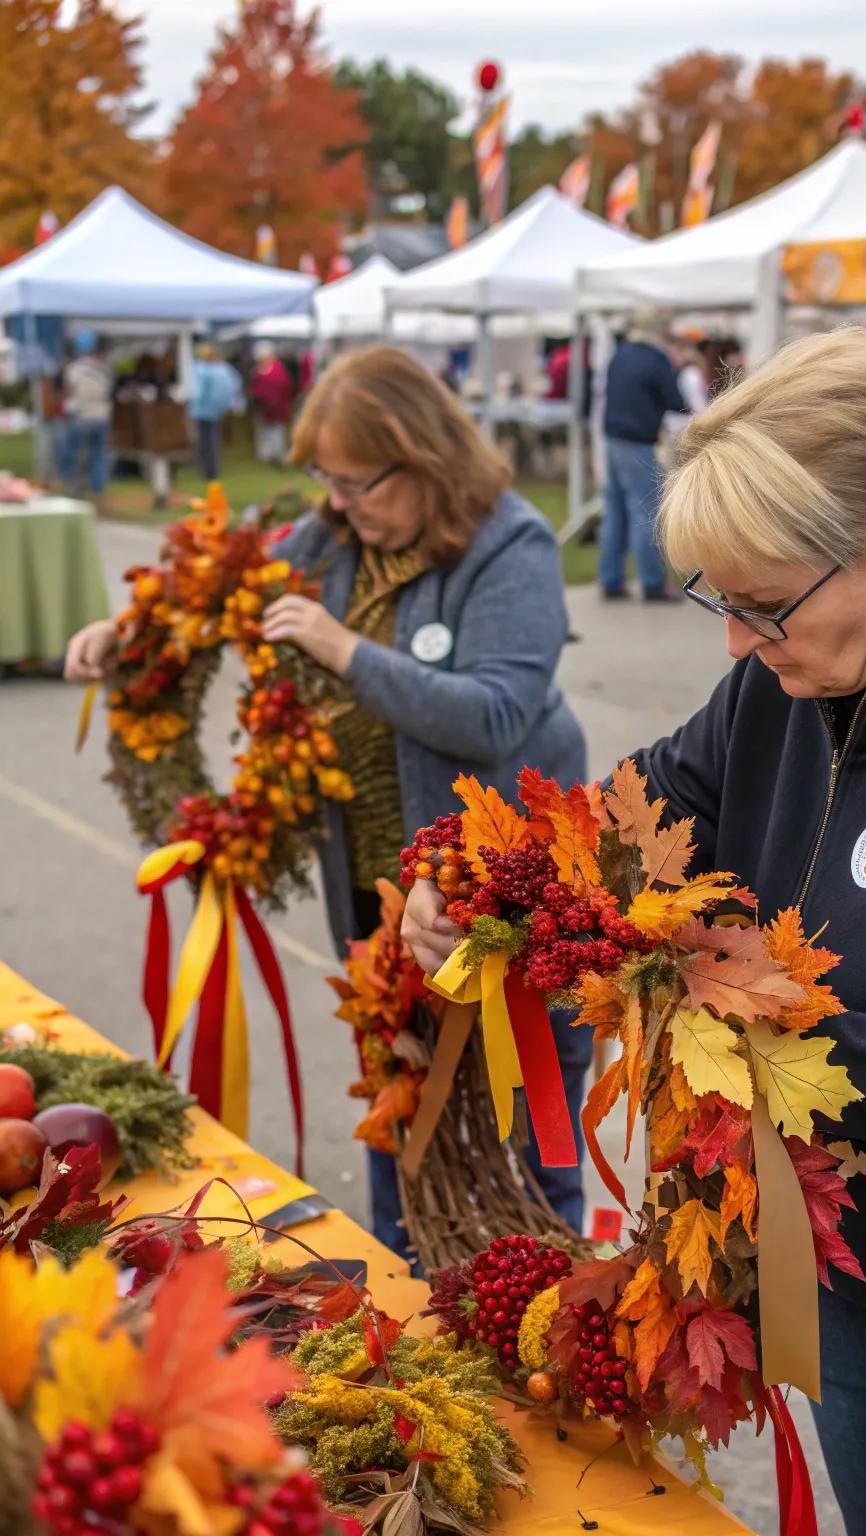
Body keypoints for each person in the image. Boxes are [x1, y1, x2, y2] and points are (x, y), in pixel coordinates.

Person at [404, 326, 866, 1534]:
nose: (735, 643)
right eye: (718, 601)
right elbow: (632, 816)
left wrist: (741, 1031)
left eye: (759, 605)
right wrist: (487, 882)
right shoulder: (787, 677)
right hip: (831, 1247)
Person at [64, 345, 590, 1257]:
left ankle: (548, 1308)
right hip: (378, 903)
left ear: (423, 459)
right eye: (325, 480)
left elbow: (496, 715)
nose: (337, 502)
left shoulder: (511, 544)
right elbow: (218, 588)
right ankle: (407, 1297)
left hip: (504, 903)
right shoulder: (333, 536)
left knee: (519, 1129)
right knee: (399, 1111)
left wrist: (346, 650)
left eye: (357, 483)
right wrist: (129, 633)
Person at [600, 309, 684, 601]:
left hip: (611, 439)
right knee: (646, 511)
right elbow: (676, 400)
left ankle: (610, 579)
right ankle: (652, 582)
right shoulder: (655, 359)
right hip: (638, 440)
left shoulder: (620, 355)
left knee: (615, 511)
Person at [60, 330, 113, 497]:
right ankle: (98, 489)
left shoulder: (74, 369)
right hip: (102, 415)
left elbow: (69, 391)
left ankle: (75, 486)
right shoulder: (105, 369)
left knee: (75, 452)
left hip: (81, 415)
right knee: (98, 454)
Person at [188, 343, 242, 481]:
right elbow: (237, 384)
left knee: (203, 441)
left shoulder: (201, 369)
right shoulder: (224, 368)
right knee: (212, 439)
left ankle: (206, 471)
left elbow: (197, 391)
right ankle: (213, 469)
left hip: (201, 409)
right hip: (217, 409)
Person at [249, 342, 295, 465]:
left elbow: (285, 387)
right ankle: (267, 454)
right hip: (264, 407)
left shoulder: (277, 370)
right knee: (265, 430)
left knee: (276, 431)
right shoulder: (259, 371)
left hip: (276, 406)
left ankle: (277, 455)